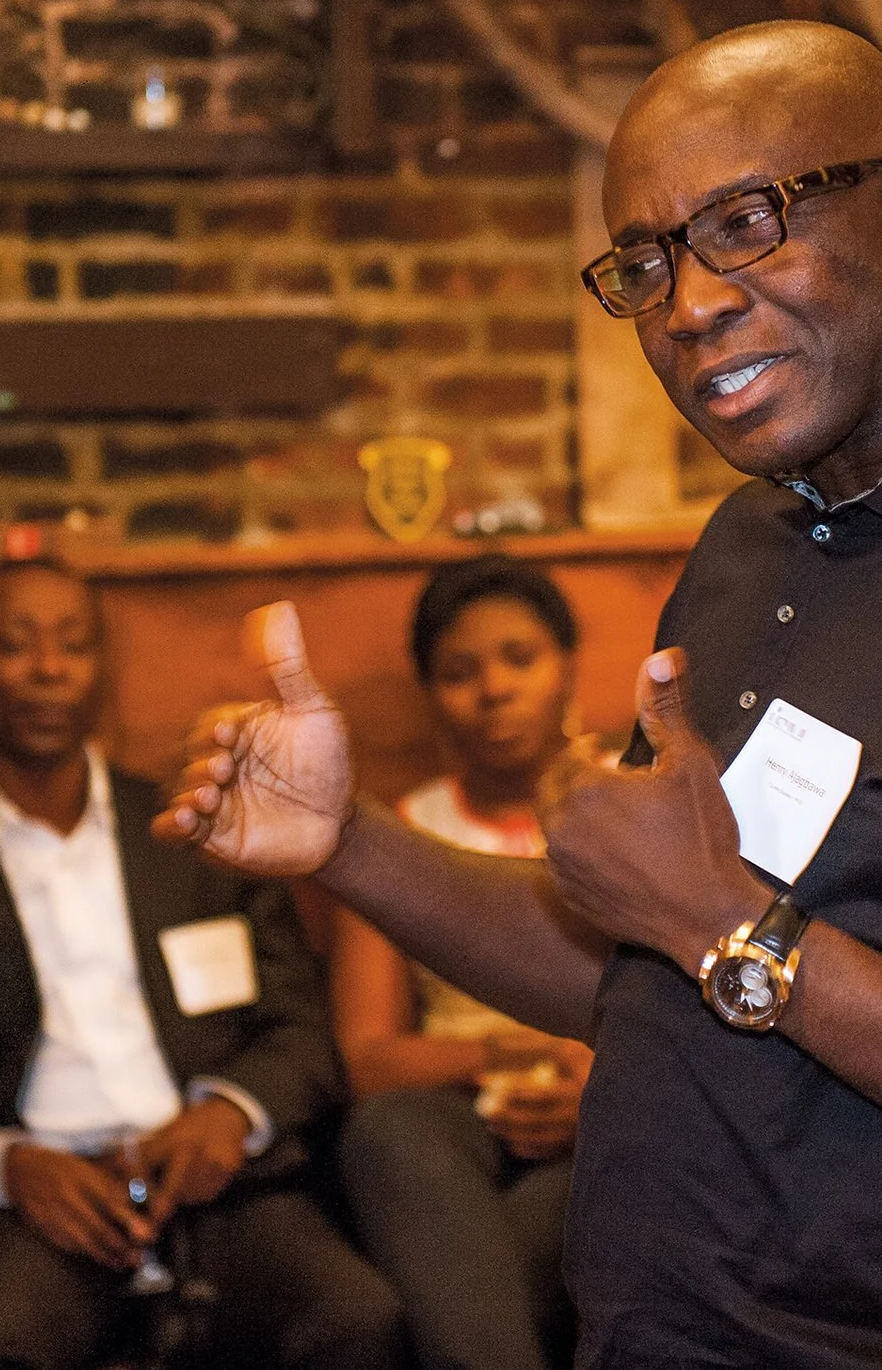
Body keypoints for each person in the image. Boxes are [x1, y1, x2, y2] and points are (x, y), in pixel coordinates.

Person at [160, 21, 882, 1367]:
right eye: (646, 262)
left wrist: (735, 928)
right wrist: (347, 843)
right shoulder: (759, 536)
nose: (689, 303)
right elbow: (647, 960)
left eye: (746, 223)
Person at [0, 558, 400, 1370]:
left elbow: (302, 1032)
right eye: (16, 644)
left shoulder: (196, 828)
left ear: (104, 667)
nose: (48, 667)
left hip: (220, 1184)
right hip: (39, 1206)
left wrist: (233, 1111)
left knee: (356, 1318)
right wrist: (6, 1164)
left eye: (74, 643)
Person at [332, 558, 594, 1370]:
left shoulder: (634, 808)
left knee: (623, 1166)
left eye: (520, 658)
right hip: (456, 1116)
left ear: (567, 665)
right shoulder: (397, 836)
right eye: (459, 672)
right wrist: (508, 1051)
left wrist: (596, 1085)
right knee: (387, 1132)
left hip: (608, 1109)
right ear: (430, 694)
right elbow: (369, 1060)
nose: (495, 690)